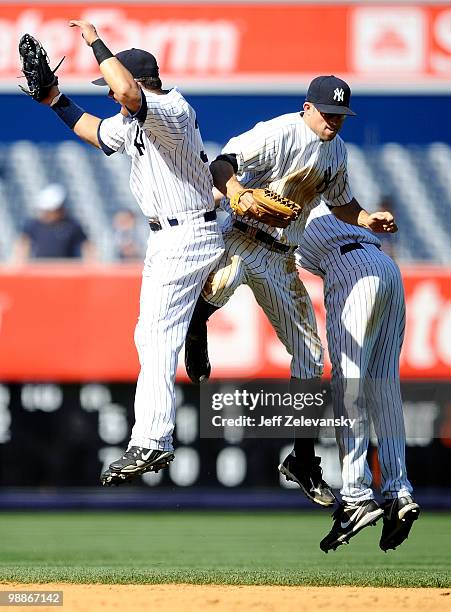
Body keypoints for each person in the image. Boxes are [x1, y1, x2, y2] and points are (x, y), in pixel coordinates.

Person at [185, 75, 397, 507]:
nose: (334, 121)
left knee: (310, 356)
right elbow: (220, 164)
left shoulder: (336, 150)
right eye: (327, 112)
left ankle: (302, 458)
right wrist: (238, 192)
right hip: (241, 237)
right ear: (307, 108)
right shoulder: (278, 133)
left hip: (282, 255)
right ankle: (195, 326)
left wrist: (366, 220)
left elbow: (341, 204)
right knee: (218, 286)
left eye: (340, 115)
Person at [28, 21, 224, 485]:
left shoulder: (170, 109)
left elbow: (127, 93)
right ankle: (198, 319)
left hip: (187, 235)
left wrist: (95, 41)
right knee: (149, 336)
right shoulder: (134, 120)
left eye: (113, 87)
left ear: (134, 83)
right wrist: (56, 100)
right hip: (174, 236)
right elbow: (97, 132)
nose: (109, 95)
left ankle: (152, 441)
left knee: (156, 338)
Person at [296, 200, 419, 552]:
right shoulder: (310, 188)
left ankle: (356, 495)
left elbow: (223, 191)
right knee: (384, 388)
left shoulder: (272, 186)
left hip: (349, 270)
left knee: (348, 385)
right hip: (385, 266)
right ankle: (399, 491)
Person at [13, 183, 93, 262]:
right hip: (40, 270)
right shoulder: (33, 226)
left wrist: (89, 266)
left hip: (65, 271)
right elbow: (23, 245)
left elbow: (87, 247)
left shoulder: (72, 226)